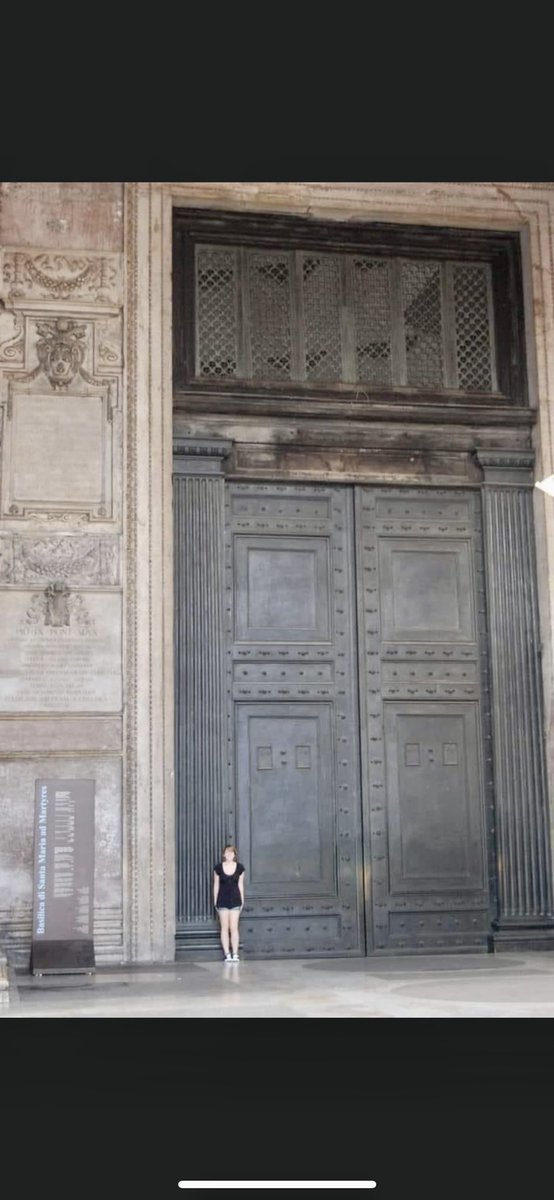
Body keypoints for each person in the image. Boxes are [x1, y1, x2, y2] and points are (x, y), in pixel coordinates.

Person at [213, 845, 245, 962]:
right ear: (224, 854)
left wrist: (242, 900)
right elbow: (216, 885)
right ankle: (227, 954)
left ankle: (235, 953)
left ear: (235, 855)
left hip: (235, 899)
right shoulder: (218, 868)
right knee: (224, 927)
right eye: (227, 852)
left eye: (231, 853)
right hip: (222, 900)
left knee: (234, 927)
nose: (229, 855)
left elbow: (240, 885)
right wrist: (215, 900)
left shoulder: (240, 868)